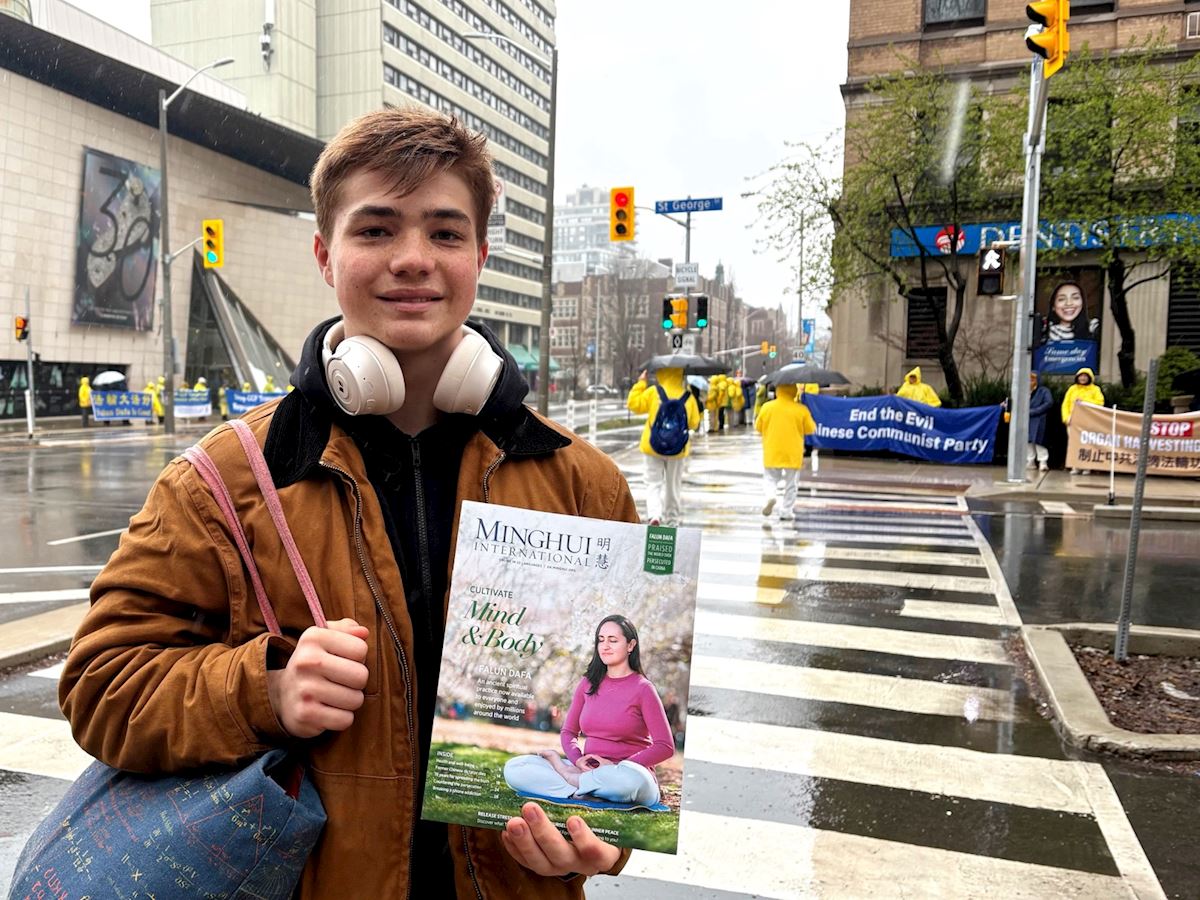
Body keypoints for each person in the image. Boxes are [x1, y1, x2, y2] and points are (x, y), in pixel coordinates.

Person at [59, 107, 639, 898]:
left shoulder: (583, 483)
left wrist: (597, 843)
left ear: (480, 255)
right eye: (375, 230)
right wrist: (264, 690)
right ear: (325, 255)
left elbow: (619, 729)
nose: (413, 258)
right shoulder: (223, 481)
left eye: (445, 232)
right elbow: (100, 685)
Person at [503, 615, 673, 809]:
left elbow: (665, 746)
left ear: (630, 645)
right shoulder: (587, 684)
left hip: (627, 773)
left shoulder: (643, 688)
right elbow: (568, 732)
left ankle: (569, 779)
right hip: (587, 769)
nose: (605, 646)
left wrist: (617, 767)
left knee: (629, 782)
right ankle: (586, 790)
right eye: (601, 640)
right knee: (515, 768)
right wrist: (577, 760)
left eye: (613, 640)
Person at [626, 366, 701, 526]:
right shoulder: (688, 396)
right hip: (677, 449)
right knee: (673, 485)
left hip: (653, 445)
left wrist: (641, 383)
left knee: (653, 482)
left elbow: (634, 404)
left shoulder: (654, 392)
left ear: (662, 372)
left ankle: (654, 515)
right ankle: (672, 519)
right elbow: (694, 423)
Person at [755, 383, 816, 523]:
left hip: (772, 450)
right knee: (791, 484)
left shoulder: (767, 407)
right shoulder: (801, 409)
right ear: (794, 391)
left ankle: (770, 496)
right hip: (792, 452)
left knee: (770, 478)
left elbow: (758, 427)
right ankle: (786, 511)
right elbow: (810, 429)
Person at [1062, 366, 1104, 475]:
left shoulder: (1095, 389)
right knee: (1074, 444)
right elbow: (1065, 404)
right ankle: (1075, 466)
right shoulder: (1072, 389)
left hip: (1088, 421)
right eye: (1081, 376)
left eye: (1085, 376)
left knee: (1087, 444)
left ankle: (1087, 467)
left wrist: (1084, 400)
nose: (1083, 378)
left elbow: (1100, 403)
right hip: (1073, 420)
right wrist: (1066, 417)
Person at [1027, 371, 1053, 472]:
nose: (1030, 382)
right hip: (1027, 419)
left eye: (1032, 379)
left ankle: (1043, 461)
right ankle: (1030, 460)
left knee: (1039, 441)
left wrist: (1035, 411)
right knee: (1028, 441)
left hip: (1039, 419)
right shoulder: (1023, 391)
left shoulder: (1044, 391)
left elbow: (1048, 403)